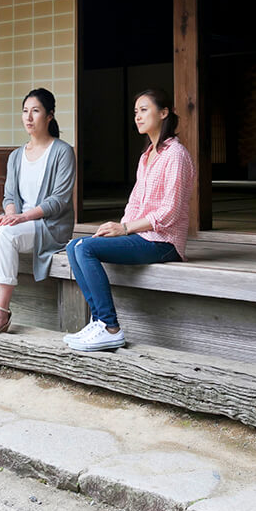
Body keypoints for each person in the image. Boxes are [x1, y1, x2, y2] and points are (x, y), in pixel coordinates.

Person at [63, 88, 195, 351]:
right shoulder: (146, 156)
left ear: (164, 112)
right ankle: (99, 322)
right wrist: (118, 230)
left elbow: (170, 210)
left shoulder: (176, 155)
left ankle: (110, 327)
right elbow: (135, 203)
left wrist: (124, 229)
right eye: (135, 112)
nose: (138, 116)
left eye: (144, 110)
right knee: (73, 246)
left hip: (164, 242)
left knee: (85, 248)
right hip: (141, 237)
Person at [0, 88, 76, 334]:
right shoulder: (16, 156)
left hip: (49, 226)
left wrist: (22, 217)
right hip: (22, 221)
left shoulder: (62, 152)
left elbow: (59, 201)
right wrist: (10, 213)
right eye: (25, 111)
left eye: (35, 111)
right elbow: (10, 196)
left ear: (50, 116)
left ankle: (2, 311)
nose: (29, 117)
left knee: (5, 234)